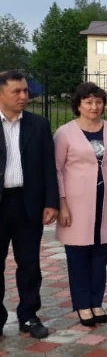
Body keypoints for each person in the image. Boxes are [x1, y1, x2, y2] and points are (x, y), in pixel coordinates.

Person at [54, 82, 107, 327]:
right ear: (78, 105)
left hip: (106, 201)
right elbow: (56, 169)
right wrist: (62, 203)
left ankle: (96, 301)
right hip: (76, 203)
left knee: (100, 256)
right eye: (88, 102)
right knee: (78, 256)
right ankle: (82, 304)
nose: (94, 107)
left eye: (98, 102)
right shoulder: (65, 133)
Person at [0, 70, 58, 339]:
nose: (24, 96)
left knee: (30, 264)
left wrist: (51, 203)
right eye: (17, 91)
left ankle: (29, 315)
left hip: (27, 203)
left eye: (25, 91)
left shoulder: (39, 124)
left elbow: (49, 167)